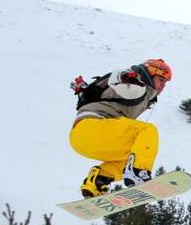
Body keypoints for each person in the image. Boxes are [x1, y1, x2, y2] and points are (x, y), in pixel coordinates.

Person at [69, 58, 172, 197]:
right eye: (161, 80)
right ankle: (138, 174)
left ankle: (98, 180)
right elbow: (117, 79)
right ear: (150, 74)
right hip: (91, 126)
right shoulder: (135, 82)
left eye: (165, 83)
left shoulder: (143, 93)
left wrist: (82, 88)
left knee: (134, 154)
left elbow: (105, 92)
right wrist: (127, 77)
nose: (162, 86)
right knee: (148, 131)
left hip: (82, 139)